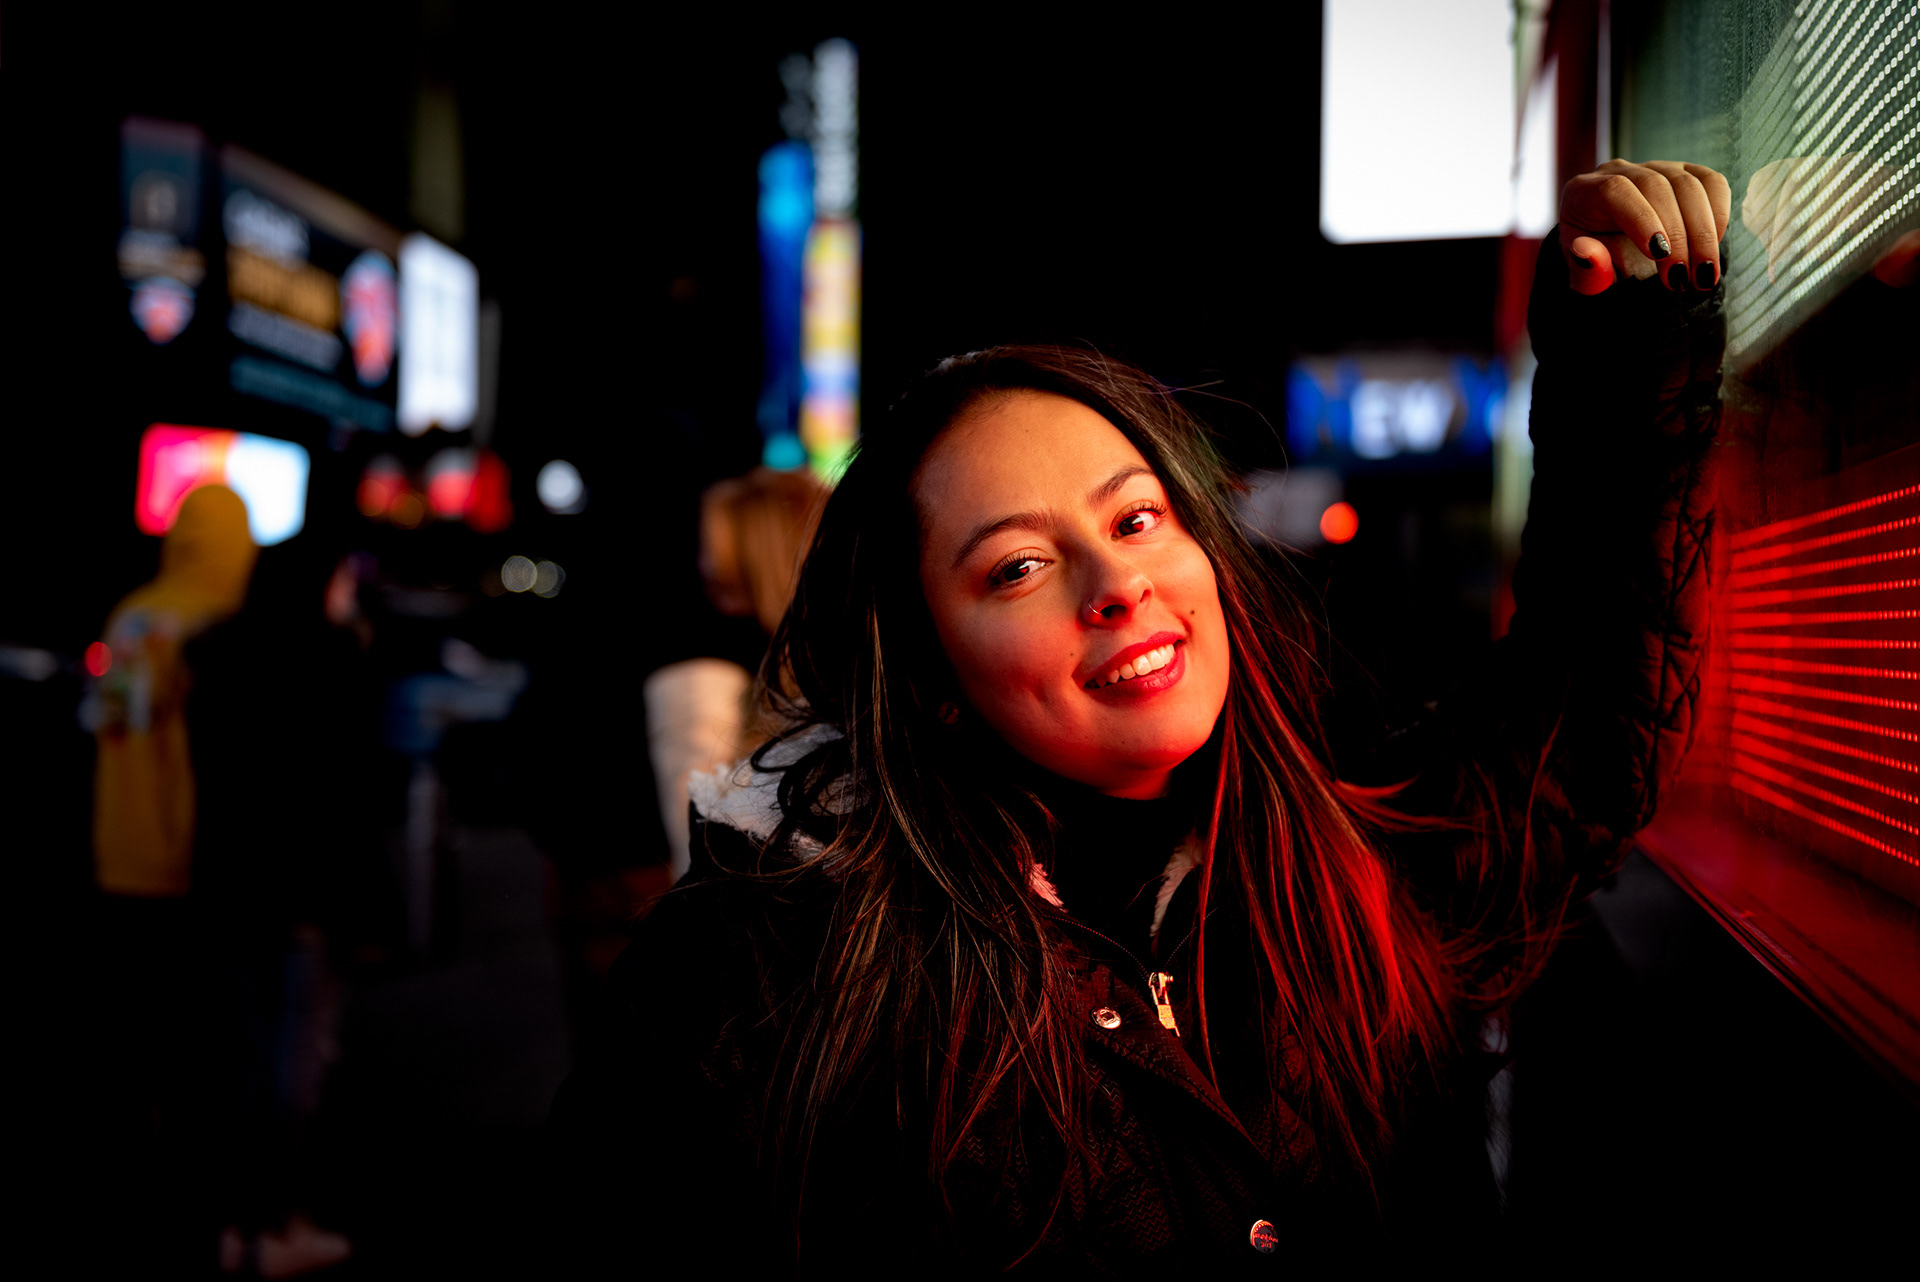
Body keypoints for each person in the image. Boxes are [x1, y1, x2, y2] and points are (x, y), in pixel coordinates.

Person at [554, 160, 1731, 1271]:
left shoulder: (1353, 852)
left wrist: (1625, 341)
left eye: (1135, 519)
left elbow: (1583, 722)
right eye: (1016, 567)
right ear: (929, 675)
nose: (1116, 582)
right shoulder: (760, 972)